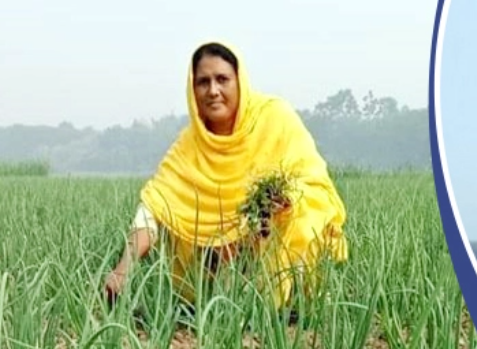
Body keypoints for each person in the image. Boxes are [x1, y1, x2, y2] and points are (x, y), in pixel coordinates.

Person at [103, 41, 349, 309]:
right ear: (192, 89)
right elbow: (154, 206)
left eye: (222, 79)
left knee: (305, 208)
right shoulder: (189, 147)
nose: (213, 91)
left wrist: (277, 202)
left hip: (271, 246)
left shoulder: (275, 117)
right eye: (203, 82)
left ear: (239, 81)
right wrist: (123, 268)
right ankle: (219, 306)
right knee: (177, 226)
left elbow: (313, 181)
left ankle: (292, 304)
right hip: (217, 265)